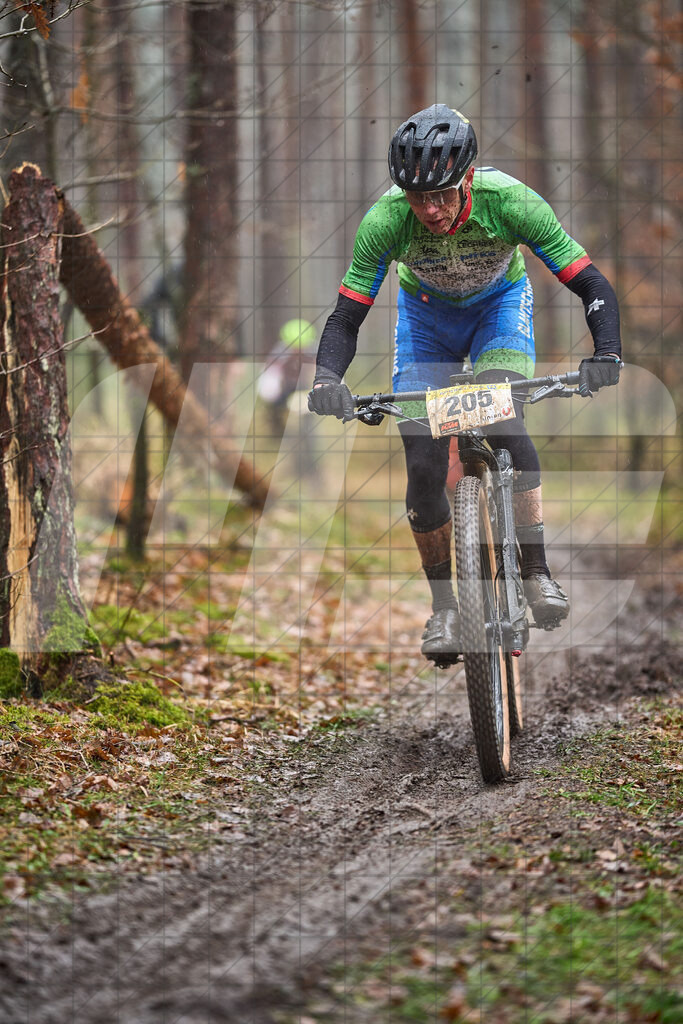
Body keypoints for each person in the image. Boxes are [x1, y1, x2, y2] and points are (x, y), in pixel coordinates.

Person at [308, 104, 622, 663]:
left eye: (442, 195)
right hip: (425, 322)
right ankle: (446, 609)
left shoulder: (511, 202)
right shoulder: (385, 221)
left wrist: (607, 352)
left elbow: (589, 280)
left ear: (468, 178)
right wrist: (328, 377)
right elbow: (346, 316)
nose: (428, 210)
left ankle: (536, 571)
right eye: (416, 198)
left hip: (498, 310)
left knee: (500, 414)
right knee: (423, 464)